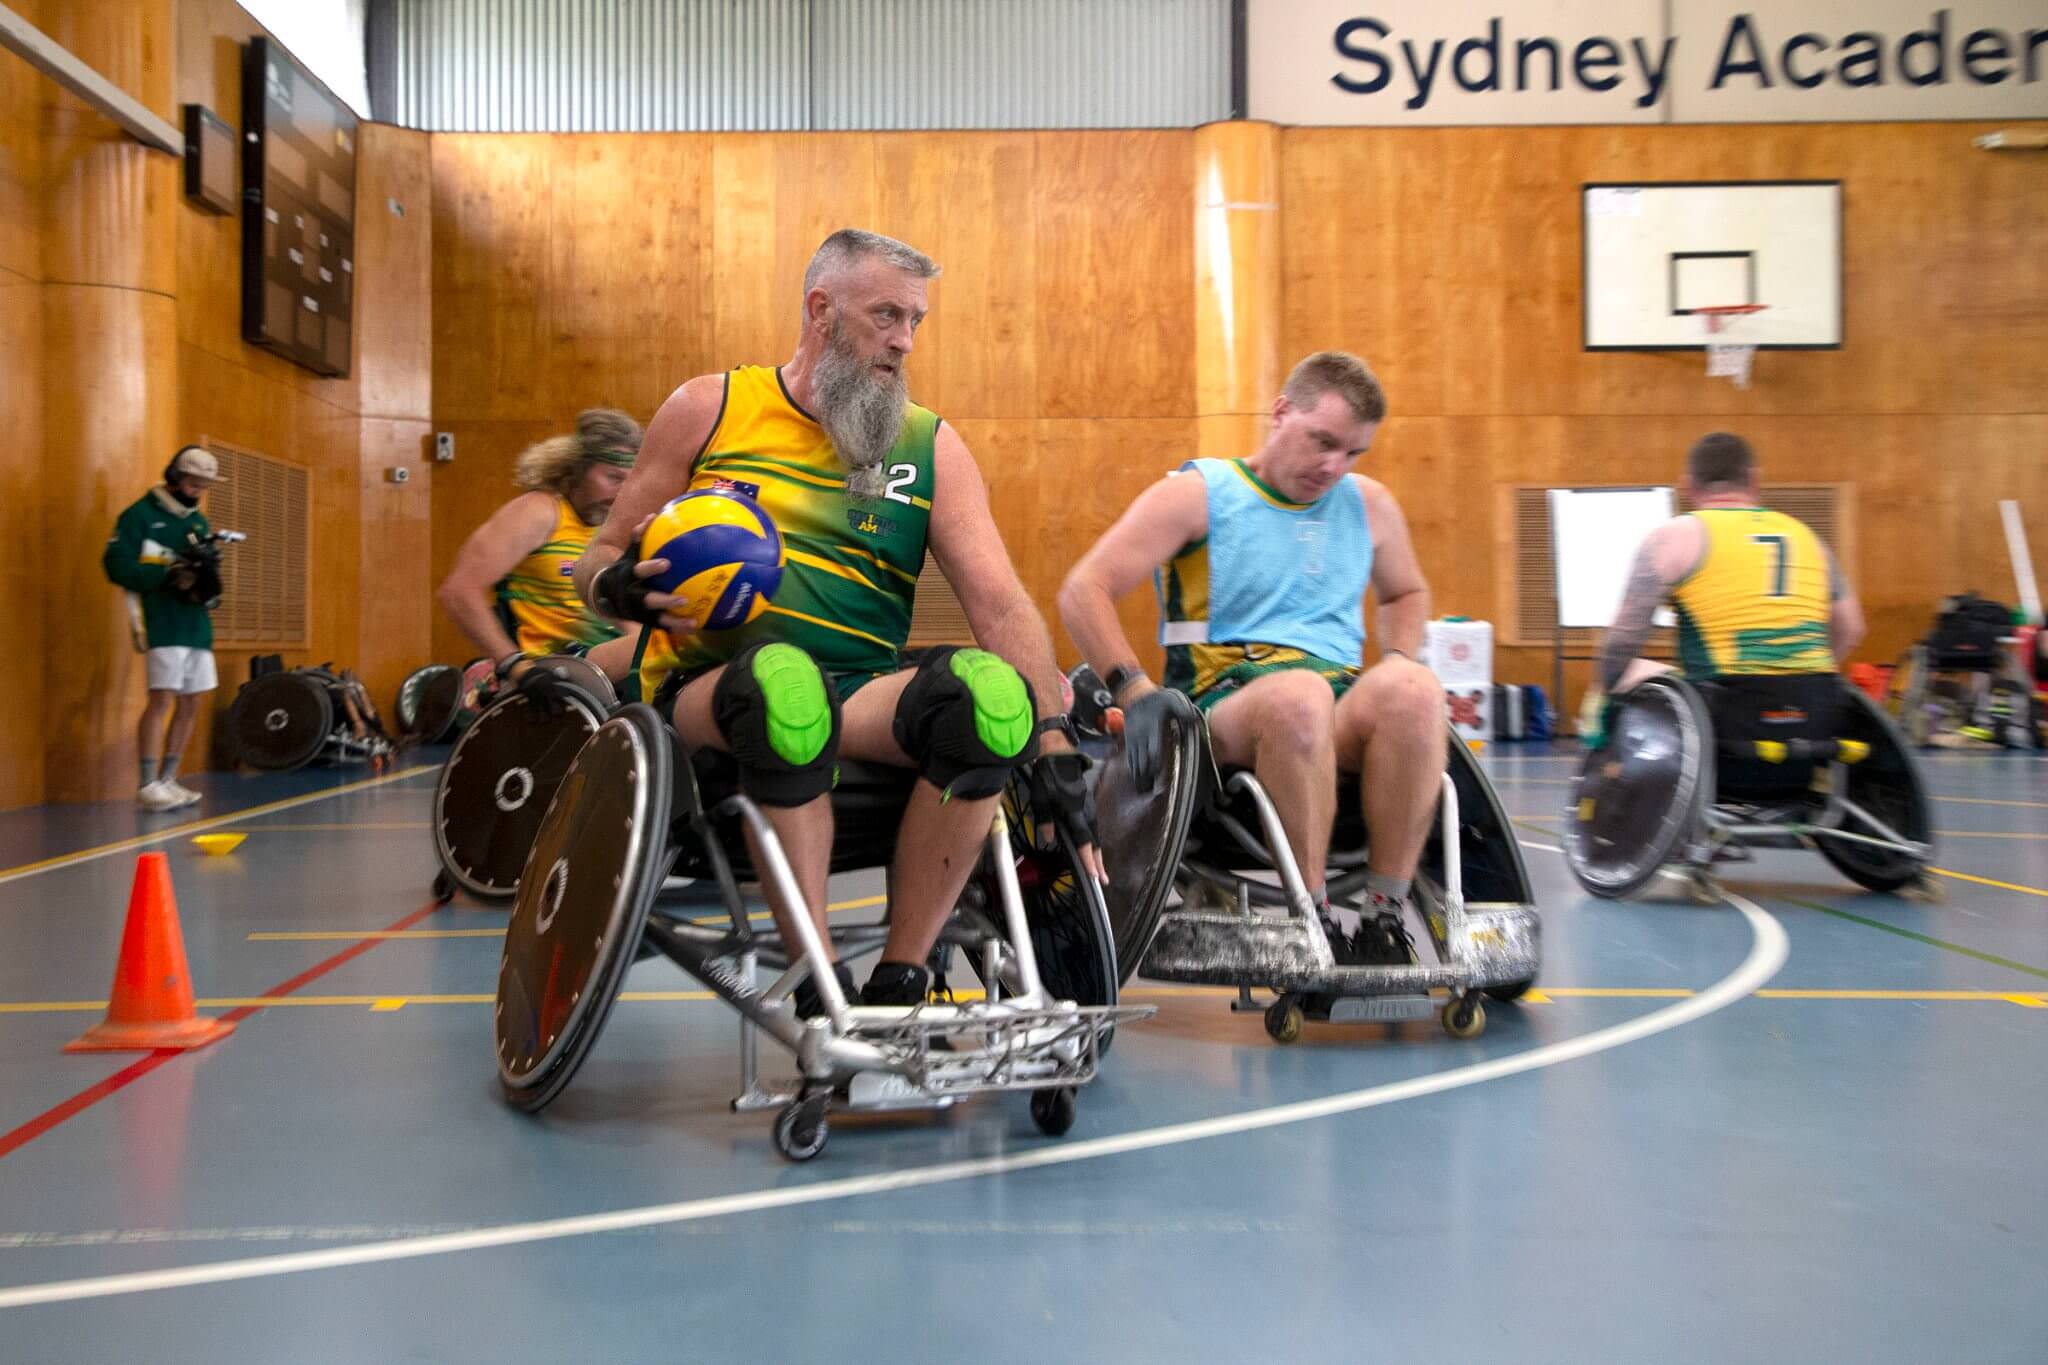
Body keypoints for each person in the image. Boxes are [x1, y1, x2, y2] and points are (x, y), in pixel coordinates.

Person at [574, 228, 1096, 1012]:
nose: (904, 340)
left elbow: (999, 601)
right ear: (821, 310)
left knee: (992, 699)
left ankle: (900, 980)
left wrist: (1053, 740)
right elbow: (597, 557)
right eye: (887, 315)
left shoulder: (929, 446)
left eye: (915, 320)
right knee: (787, 688)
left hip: (858, 694)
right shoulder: (709, 410)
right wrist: (616, 588)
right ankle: (823, 985)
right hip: (706, 691)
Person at [1059, 351, 1445, 966]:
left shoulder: (1369, 504)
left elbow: (1406, 591)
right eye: (1322, 442)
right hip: (1224, 708)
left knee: (1416, 690)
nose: (1333, 466)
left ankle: (1385, 915)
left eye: (1351, 453)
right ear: (1281, 412)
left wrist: (1398, 655)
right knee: (1299, 697)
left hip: (1335, 700)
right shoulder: (1199, 495)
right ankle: (1311, 918)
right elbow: (1084, 589)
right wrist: (1133, 692)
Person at [1588, 431, 1864, 704]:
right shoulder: (1808, 537)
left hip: (1726, 707)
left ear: (1687, 485)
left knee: (1617, 680)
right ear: (1755, 480)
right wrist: (1800, 676)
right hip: (1816, 701)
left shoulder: (1675, 537)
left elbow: (1622, 645)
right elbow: (1851, 629)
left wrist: (1606, 694)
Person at [436, 409, 646, 693]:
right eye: (613, 477)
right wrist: (514, 665)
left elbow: (628, 621)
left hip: (605, 667)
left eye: (629, 481)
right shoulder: (540, 511)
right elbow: (459, 592)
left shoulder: (612, 529)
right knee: (669, 643)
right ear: (576, 470)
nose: (622, 492)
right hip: (553, 667)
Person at [103, 445, 229, 811]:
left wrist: (206, 582)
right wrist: (167, 576)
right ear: (175, 476)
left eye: (204, 485)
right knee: (162, 700)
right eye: (193, 482)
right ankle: (148, 783)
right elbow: (116, 566)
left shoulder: (197, 521)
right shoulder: (139, 516)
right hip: (163, 622)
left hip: (195, 625)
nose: (198, 490)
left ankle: (169, 778)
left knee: (191, 703)